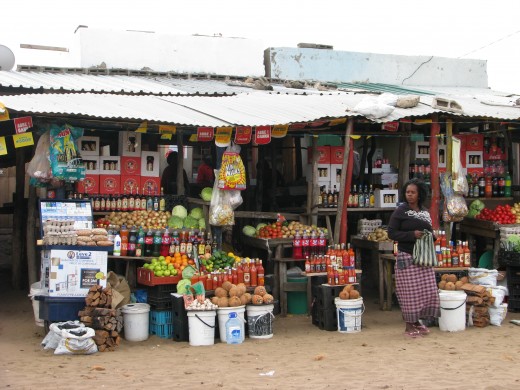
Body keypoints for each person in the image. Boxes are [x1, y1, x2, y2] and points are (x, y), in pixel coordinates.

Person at [387, 178, 440, 338]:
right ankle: (409, 326)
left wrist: (432, 236)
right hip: (406, 257)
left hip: (423, 259)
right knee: (409, 293)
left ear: (419, 194)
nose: (409, 195)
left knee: (426, 291)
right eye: (407, 192)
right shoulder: (400, 211)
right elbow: (391, 233)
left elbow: (429, 230)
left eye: (413, 192)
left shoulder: (424, 212)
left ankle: (417, 322)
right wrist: (411, 235)